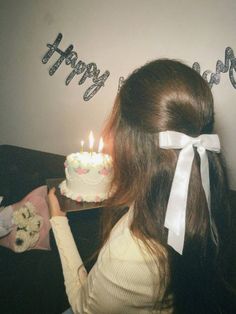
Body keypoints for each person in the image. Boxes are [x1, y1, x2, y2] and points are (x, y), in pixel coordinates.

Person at [48, 59, 236, 314]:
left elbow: (83, 306)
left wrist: (58, 221)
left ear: (131, 145)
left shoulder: (129, 256)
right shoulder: (206, 195)